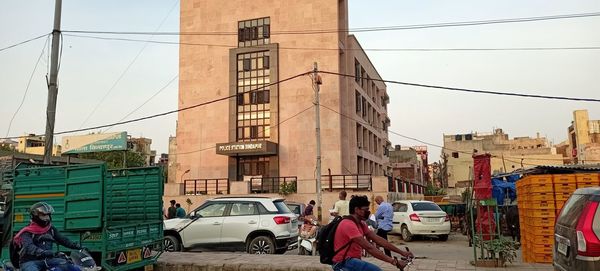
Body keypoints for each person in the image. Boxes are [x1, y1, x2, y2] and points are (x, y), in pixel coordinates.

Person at [331, 195, 413, 271]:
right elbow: (369, 248)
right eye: (365, 210)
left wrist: (402, 252)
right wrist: (394, 262)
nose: (368, 212)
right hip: (343, 262)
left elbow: (379, 240)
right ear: (356, 210)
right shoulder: (348, 224)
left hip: (353, 260)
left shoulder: (361, 223)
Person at [14, 202, 84, 271]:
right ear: (35, 216)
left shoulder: (51, 229)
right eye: (43, 215)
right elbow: (29, 246)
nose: (46, 218)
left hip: (48, 260)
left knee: (70, 267)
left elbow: (63, 240)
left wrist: (78, 247)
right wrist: (42, 252)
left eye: (48, 215)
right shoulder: (27, 231)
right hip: (30, 261)